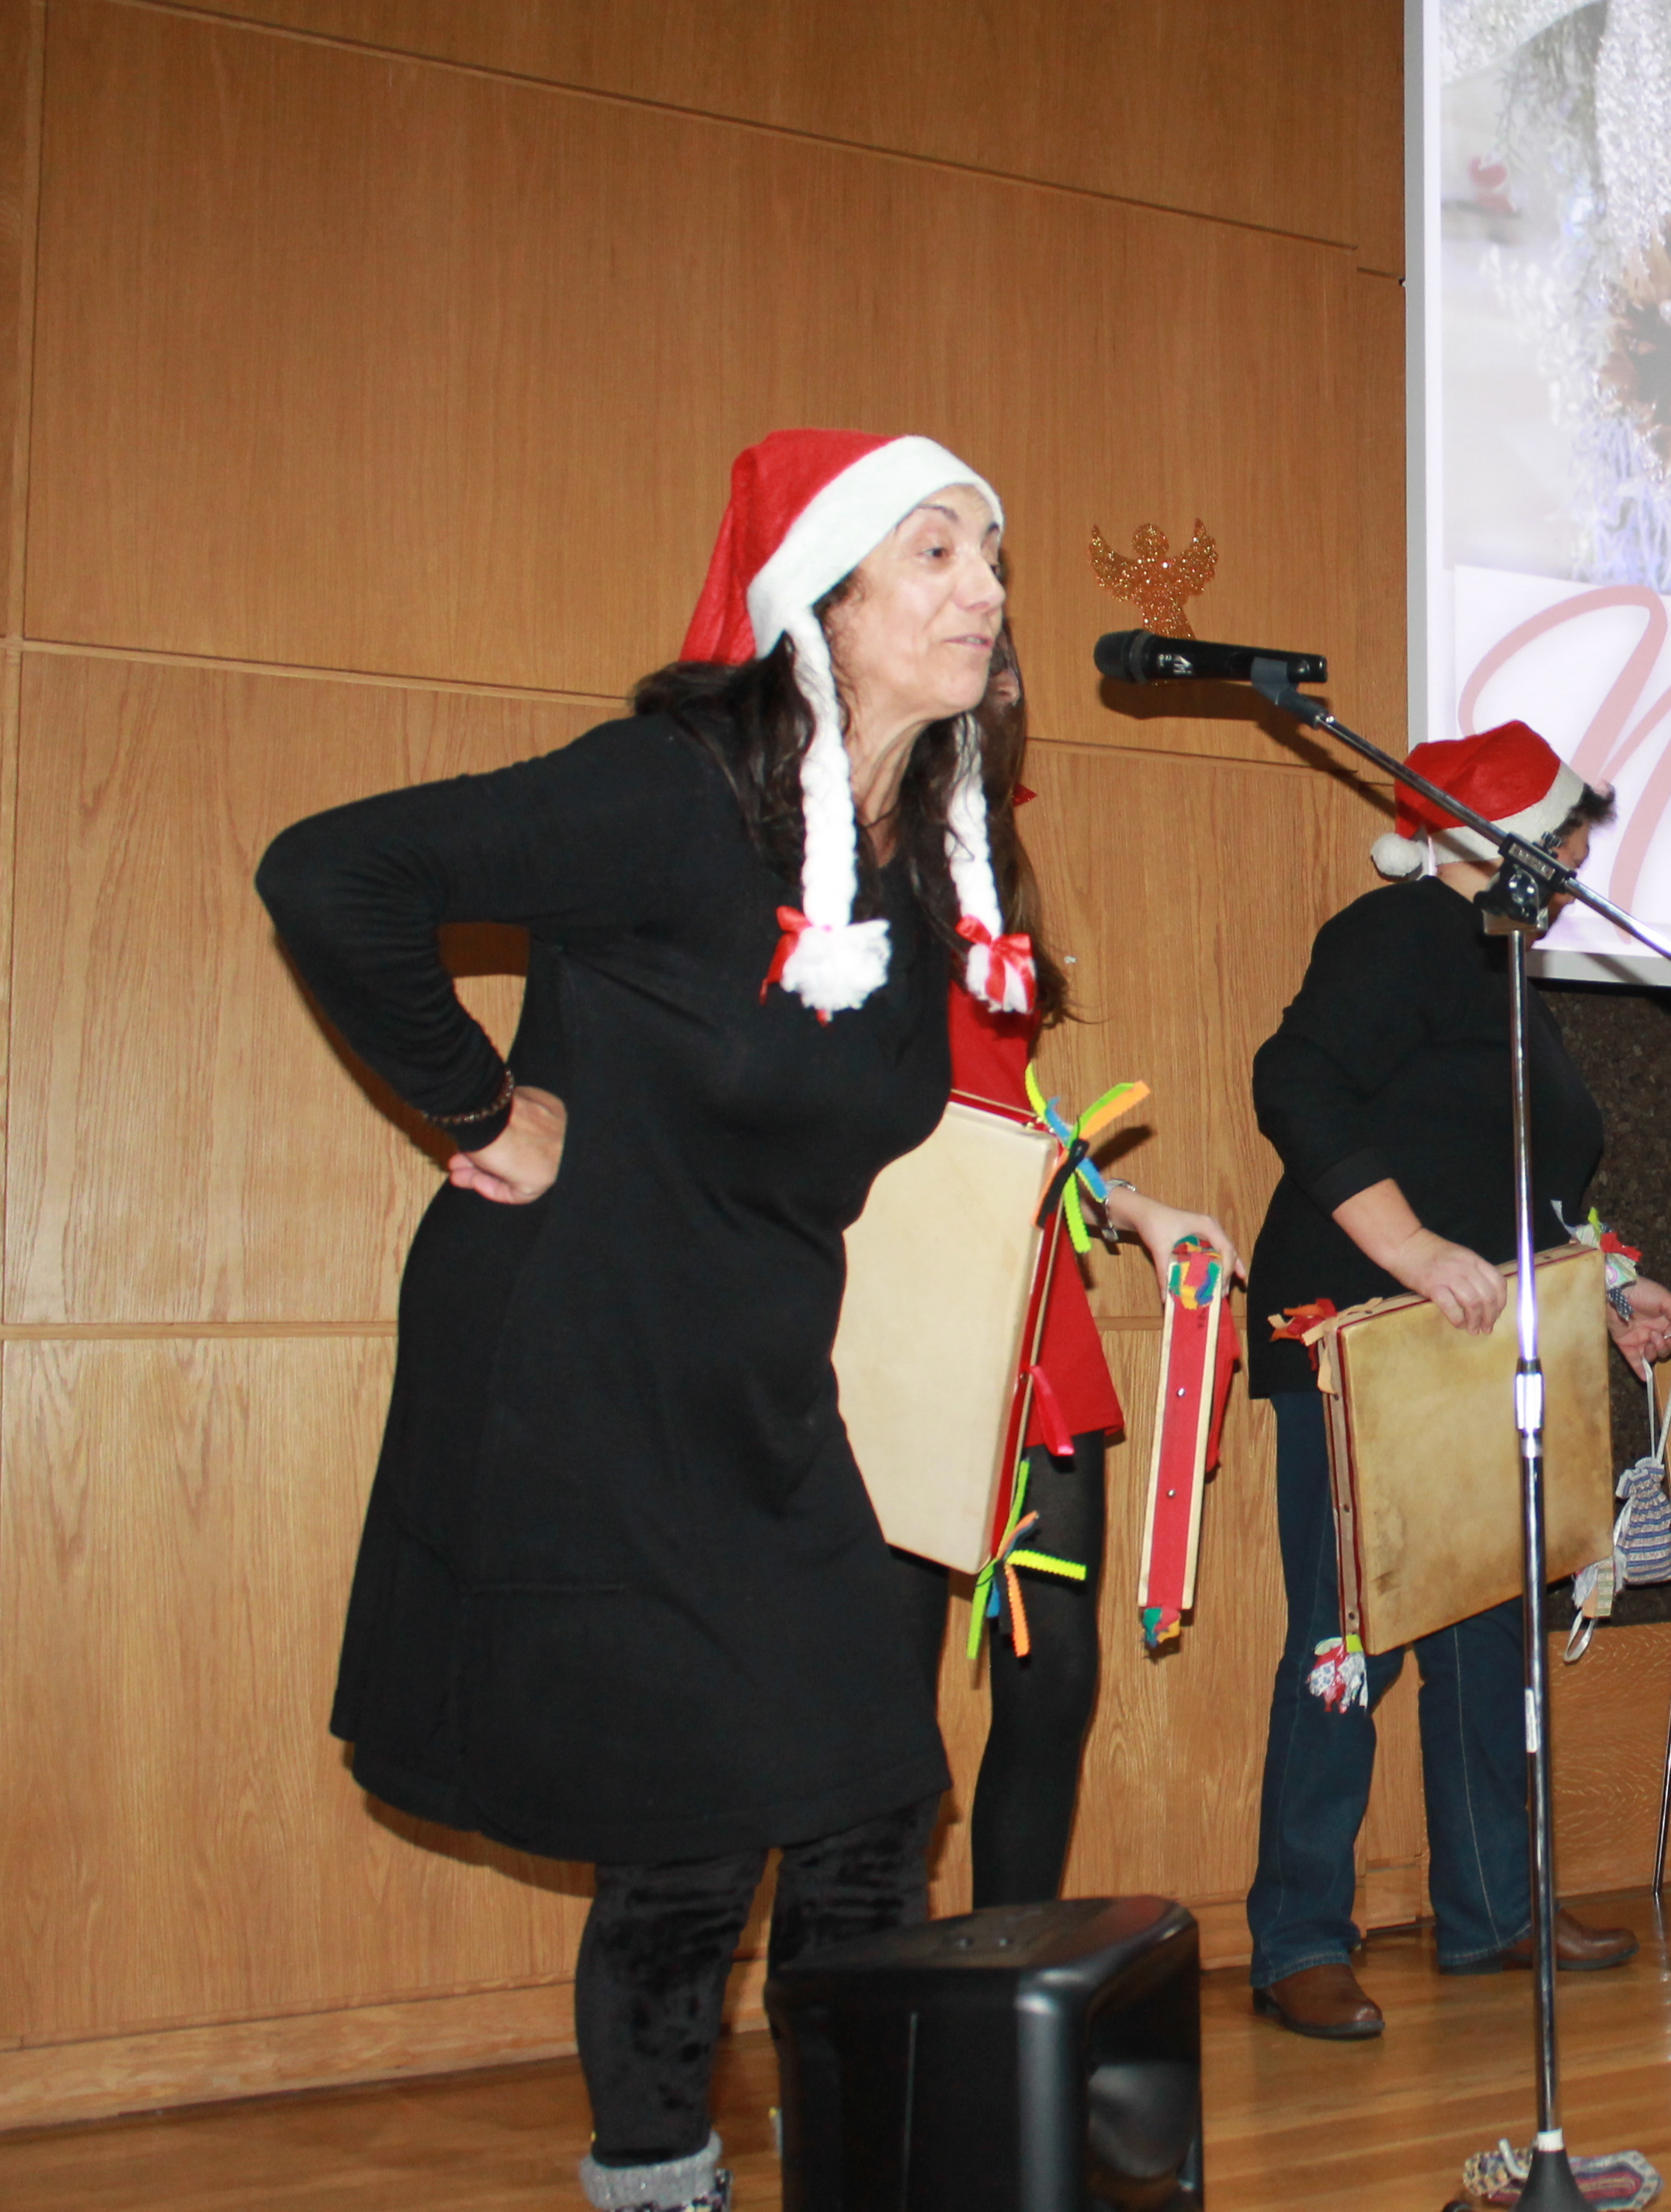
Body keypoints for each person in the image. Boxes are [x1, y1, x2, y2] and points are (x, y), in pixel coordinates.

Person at [257, 430, 1222, 2212]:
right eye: (933, 554)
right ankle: (663, 2178)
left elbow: (927, 1119)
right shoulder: (674, 792)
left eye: (989, 556)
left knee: (872, 1782)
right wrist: (478, 1107)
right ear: (824, 602)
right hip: (589, 1373)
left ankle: (875, 2170)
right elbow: (332, 871)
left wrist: (1106, 1198)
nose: (985, 592)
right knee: (689, 1840)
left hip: (775, 1381)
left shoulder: (919, 876)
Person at [1242, 722, 1671, 2039]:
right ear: (1487, 840)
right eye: (1563, 843)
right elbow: (1295, 1080)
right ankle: (1296, 1937)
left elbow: (1529, 1177)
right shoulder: (1393, 934)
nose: (1575, 866)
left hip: (1480, 1350)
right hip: (1360, 1337)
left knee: (1491, 1632)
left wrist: (1610, 1281)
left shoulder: (1501, 975)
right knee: (1347, 1634)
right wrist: (1417, 1249)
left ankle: (1492, 1907)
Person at [941, 631, 1236, 1907]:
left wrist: (1130, 1208)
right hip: (900, 1301)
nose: (999, 676)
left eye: (1011, 660)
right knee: (863, 1715)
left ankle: (1004, 1998)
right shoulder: (830, 847)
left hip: (1032, 1304)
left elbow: (1008, 1107)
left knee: (1052, 1677)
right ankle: (841, 2042)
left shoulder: (987, 862)